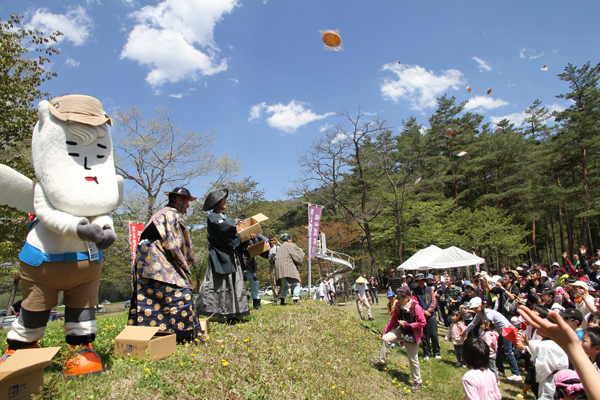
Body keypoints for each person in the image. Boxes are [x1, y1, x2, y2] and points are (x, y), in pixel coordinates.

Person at [129, 187, 200, 343]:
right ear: (178, 200)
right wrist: (184, 265)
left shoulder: (160, 213)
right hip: (156, 256)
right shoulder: (172, 215)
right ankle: (182, 333)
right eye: (187, 202)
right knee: (181, 291)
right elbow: (174, 244)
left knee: (151, 293)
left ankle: (152, 332)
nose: (188, 206)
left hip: (145, 258)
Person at [518, 306, 600, 400]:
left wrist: (573, 347)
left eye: (584, 341)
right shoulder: (593, 364)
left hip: (550, 381)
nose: (580, 342)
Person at [196, 189, 251, 320]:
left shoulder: (228, 218)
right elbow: (227, 228)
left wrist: (247, 235)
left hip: (232, 256)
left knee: (235, 283)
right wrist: (235, 223)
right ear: (216, 203)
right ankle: (209, 310)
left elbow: (235, 236)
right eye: (223, 199)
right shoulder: (213, 217)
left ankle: (234, 313)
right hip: (219, 255)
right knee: (218, 285)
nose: (226, 201)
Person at [371, 286, 426, 391]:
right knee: (386, 339)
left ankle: (417, 381)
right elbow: (393, 320)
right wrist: (384, 332)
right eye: (398, 297)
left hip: (412, 334)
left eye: (400, 298)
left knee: (413, 358)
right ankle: (381, 362)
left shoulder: (416, 307)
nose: (398, 300)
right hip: (401, 330)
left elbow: (423, 323)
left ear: (406, 297)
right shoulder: (397, 306)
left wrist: (409, 325)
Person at [463, 297, 522, 381]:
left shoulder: (487, 313)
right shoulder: (480, 313)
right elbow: (473, 323)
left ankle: (516, 373)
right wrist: (465, 331)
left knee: (508, 352)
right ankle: (501, 370)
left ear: (479, 306)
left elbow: (488, 325)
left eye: (474, 308)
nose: (473, 310)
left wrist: (482, 335)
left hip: (507, 330)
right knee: (496, 350)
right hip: (500, 332)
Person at [238, 226, 270, 311]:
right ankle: (243, 303)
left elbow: (265, 242)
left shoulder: (254, 233)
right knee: (239, 284)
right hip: (239, 263)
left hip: (249, 262)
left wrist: (256, 239)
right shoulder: (236, 234)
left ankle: (256, 304)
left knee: (255, 283)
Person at [413, 273, 440, 360]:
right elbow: (415, 303)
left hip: (431, 315)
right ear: (416, 282)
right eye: (419, 281)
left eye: (422, 280)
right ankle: (426, 353)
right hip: (421, 316)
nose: (421, 282)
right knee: (424, 336)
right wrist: (423, 312)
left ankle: (436, 352)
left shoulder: (430, 289)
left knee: (433, 334)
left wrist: (429, 311)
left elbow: (433, 301)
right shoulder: (414, 292)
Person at [274, 233, 304, 305]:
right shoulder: (291, 245)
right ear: (288, 239)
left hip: (280, 271)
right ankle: (295, 300)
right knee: (296, 283)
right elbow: (296, 256)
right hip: (289, 269)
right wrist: (302, 253)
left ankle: (282, 301)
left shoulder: (280, 248)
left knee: (285, 285)